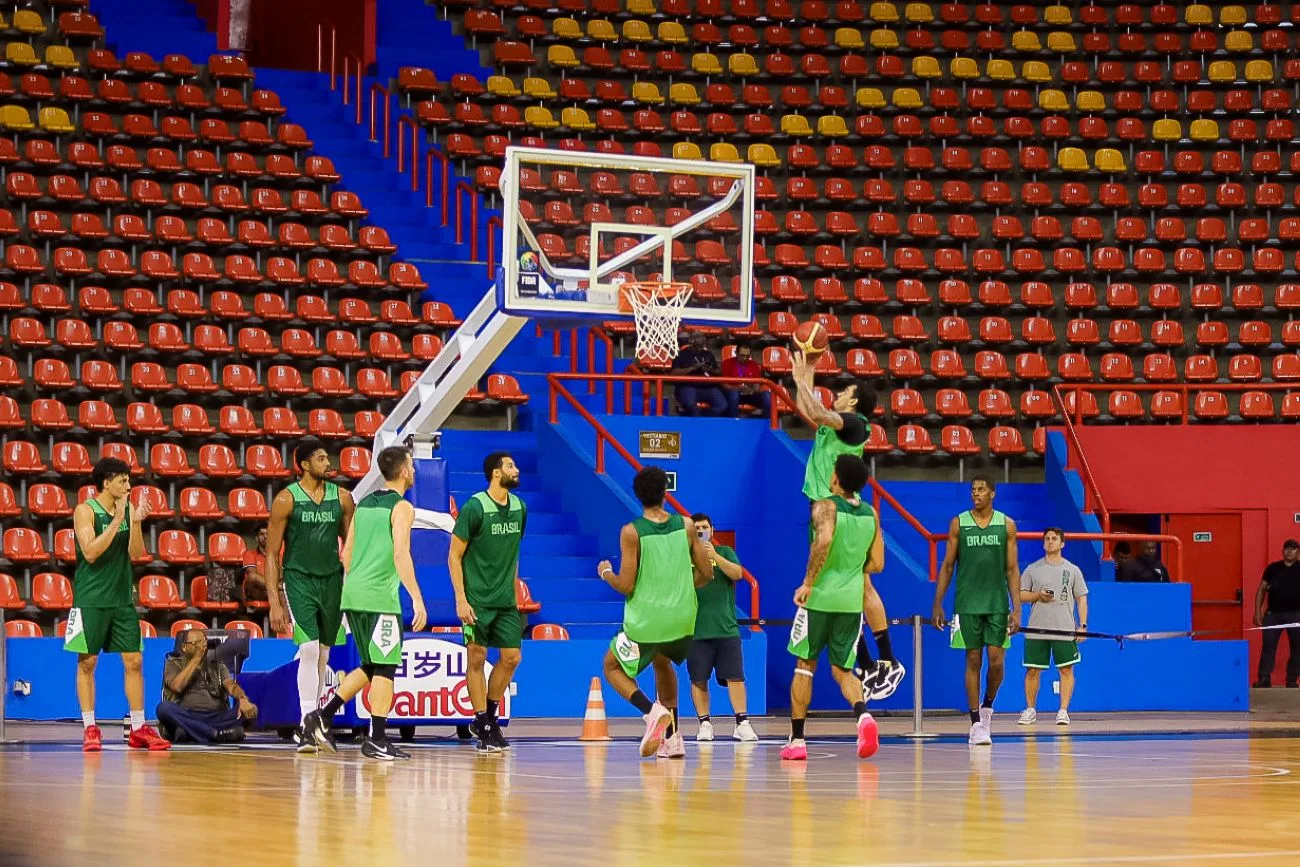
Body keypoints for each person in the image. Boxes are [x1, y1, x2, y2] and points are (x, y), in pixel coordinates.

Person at [790, 350, 903, 701]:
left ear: (853, 399)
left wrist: (801, 380)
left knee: (857, 580)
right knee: (847, 582)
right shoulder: (837, 423)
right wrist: (806, 372)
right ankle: (871, 663)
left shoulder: (855, 424)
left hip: (837, 508)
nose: (836, 394)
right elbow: (809, 411)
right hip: (826, 504)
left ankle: (886, 659)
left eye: (843, 391)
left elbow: (818, 411)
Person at [303, 447, 427, 760]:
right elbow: (401, 554)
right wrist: (416, 598)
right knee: (386, 666)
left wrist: (357, 581)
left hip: (354, 594)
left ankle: (323, 716)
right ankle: (378, 738)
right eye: (411, 465)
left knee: (371, 665)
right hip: (379, 597)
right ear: (402, 471)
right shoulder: (401, 507)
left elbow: (346, 554)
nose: (414, 470)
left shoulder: (366, 503)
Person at [597, 466, 715, 759]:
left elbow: (626, 585)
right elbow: (707, 573)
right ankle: (673, 740)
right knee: (663, 662)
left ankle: (652, 712)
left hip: (647, 620)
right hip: (684, 619)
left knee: (611, 666)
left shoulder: (631, 531)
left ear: (637, 495)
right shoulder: (687, 525)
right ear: (665, 492)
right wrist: (685, 593)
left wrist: (606, 573)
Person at [782, 454, 885, 762]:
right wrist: (852, 568)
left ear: (836, 478)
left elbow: (823, 542)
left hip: (821, 598)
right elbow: (877, 563)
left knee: (805, 665)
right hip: (852, 601)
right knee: (842, 669)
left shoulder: (825, 506)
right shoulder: (871, 514)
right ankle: (863, 716)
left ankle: (798, 741)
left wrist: (809, 583)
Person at [65, 457, 170, 752]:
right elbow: (90, 553)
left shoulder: (125, 511)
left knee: (134, 661)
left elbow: (136, 553)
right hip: (90, 599)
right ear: (105, 482)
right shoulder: (85, 511)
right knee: (87, 663)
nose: (128, 485)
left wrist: (134, 522)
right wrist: (116, 520)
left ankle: (138, 727)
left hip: (123, 598)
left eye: (128, 479)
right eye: (122, 480)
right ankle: (90, 728)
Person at [265, 438, 355, 753]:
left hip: (333, 581)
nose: (327, 462)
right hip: (298, 578)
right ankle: (305, 724)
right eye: (320, 458)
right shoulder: (286, 500)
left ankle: (313, 720)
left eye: (327, 457)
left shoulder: (343, 498)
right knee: (309, 649)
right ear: (303, 464)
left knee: (324, 656)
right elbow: (272, 554)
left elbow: (352, 549)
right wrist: (274, 601)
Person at [931, 474, 1021, 746]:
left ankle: (987, 707)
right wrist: (938, 602)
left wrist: (1017, 608)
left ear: (992, 493)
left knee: (996, 661)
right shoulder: (959, 523)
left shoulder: (1006, 525)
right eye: (973, 490)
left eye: (981, 489)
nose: (976, 493)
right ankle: (974, 723)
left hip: (996, 603)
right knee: (973, 659)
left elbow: (1012, 569)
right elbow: (947, 565)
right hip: (967, 602)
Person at [449, 451, 527, 753]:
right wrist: (460, 599)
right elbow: (454, 555)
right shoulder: (475, 507)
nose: (516, 469)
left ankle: (489, 718)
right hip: (477, 600)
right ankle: (482, 721)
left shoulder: (520, 507)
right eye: (510, 465)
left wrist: (514, 589)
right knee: (477, 658)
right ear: (496, 473)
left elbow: (514, 552)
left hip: (505, 600)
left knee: (511, 657)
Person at [686, 513, 758, 743]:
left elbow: (737, 574)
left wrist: (714, 555)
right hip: (696, 630)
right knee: (698, 679)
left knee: (735, 677)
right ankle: (705, 723)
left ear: (712, 530)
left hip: (726, 629)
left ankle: (742, 722)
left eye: (704, 527)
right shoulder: (684, 557)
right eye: (696, 528)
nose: (700, 531)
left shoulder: (725, 552)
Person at [1017, 528, 1089, 727]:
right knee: (1032, 670)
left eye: (1054, 539)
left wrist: (1082, 626)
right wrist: (1038, 596)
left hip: (1064, 629)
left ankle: (1063, 711)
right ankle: (1030, 709)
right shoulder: (1032, 569)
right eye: (1047, 539)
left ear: (1062, 543)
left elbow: (1081, 599)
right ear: (1043, 543)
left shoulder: (1072, 570)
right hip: (1036, 629)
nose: (1050, 542)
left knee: (1066, 669)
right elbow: (1020, 596)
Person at [156, 629, 258, 744]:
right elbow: (177, 686)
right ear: (184, 647)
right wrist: (196, 658)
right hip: (187, 715)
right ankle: (215, 734)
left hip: (217, 717)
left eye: (204, 641)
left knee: (251, 710)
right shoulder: (174, 663)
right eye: (197, 643)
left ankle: (192, 733)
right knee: (164, 709)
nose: (202, 646)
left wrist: (242, 698)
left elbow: (231, 686)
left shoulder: (217, 666)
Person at [1253, 539, 1300, 689]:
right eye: (1287, 548)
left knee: (1297, 648)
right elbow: (1261, 589)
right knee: (1268, 647)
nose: (1290, 551)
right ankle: (1264, 679)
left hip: (1296, 615)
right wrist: (1257, 612)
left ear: (1297, 552)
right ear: (1283, 551)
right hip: (1273, 615)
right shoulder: (1273, 568)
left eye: (1293, 549)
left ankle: (1292, 679)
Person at [672, 331, 726, 417]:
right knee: (690, 405)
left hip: (708, 387)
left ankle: (706, 421)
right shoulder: (682, 354)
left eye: (702, 345)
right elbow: (674, 373)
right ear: (692, 342)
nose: (701, 348)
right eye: (698, 346)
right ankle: (697, 422)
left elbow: (718, 371)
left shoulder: (708, 354)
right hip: (689, 386)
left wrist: (709, 369)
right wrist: (692, 368)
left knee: (722, 405)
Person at [720, 344, 771, 418]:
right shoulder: (727, 363)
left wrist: (753, 390)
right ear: (736, 353)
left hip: (749, 394)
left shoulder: (754, 364)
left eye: (747, 356)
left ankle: (768, 424)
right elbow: (723, 384)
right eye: (742, 355)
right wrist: (737, 388)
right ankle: (734, 423)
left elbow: (757, 384)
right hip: (733, 393)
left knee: (767, 395)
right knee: (734, 395)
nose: (745, 358)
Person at [242, 526, 269, 602]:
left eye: (268, 534)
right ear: (257, 538)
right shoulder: (249, 554)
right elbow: (252, 576)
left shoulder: (279, 555)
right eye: (262, 534)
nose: (265, 537)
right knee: (252, 577)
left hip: (273, 592)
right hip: (257, 591)